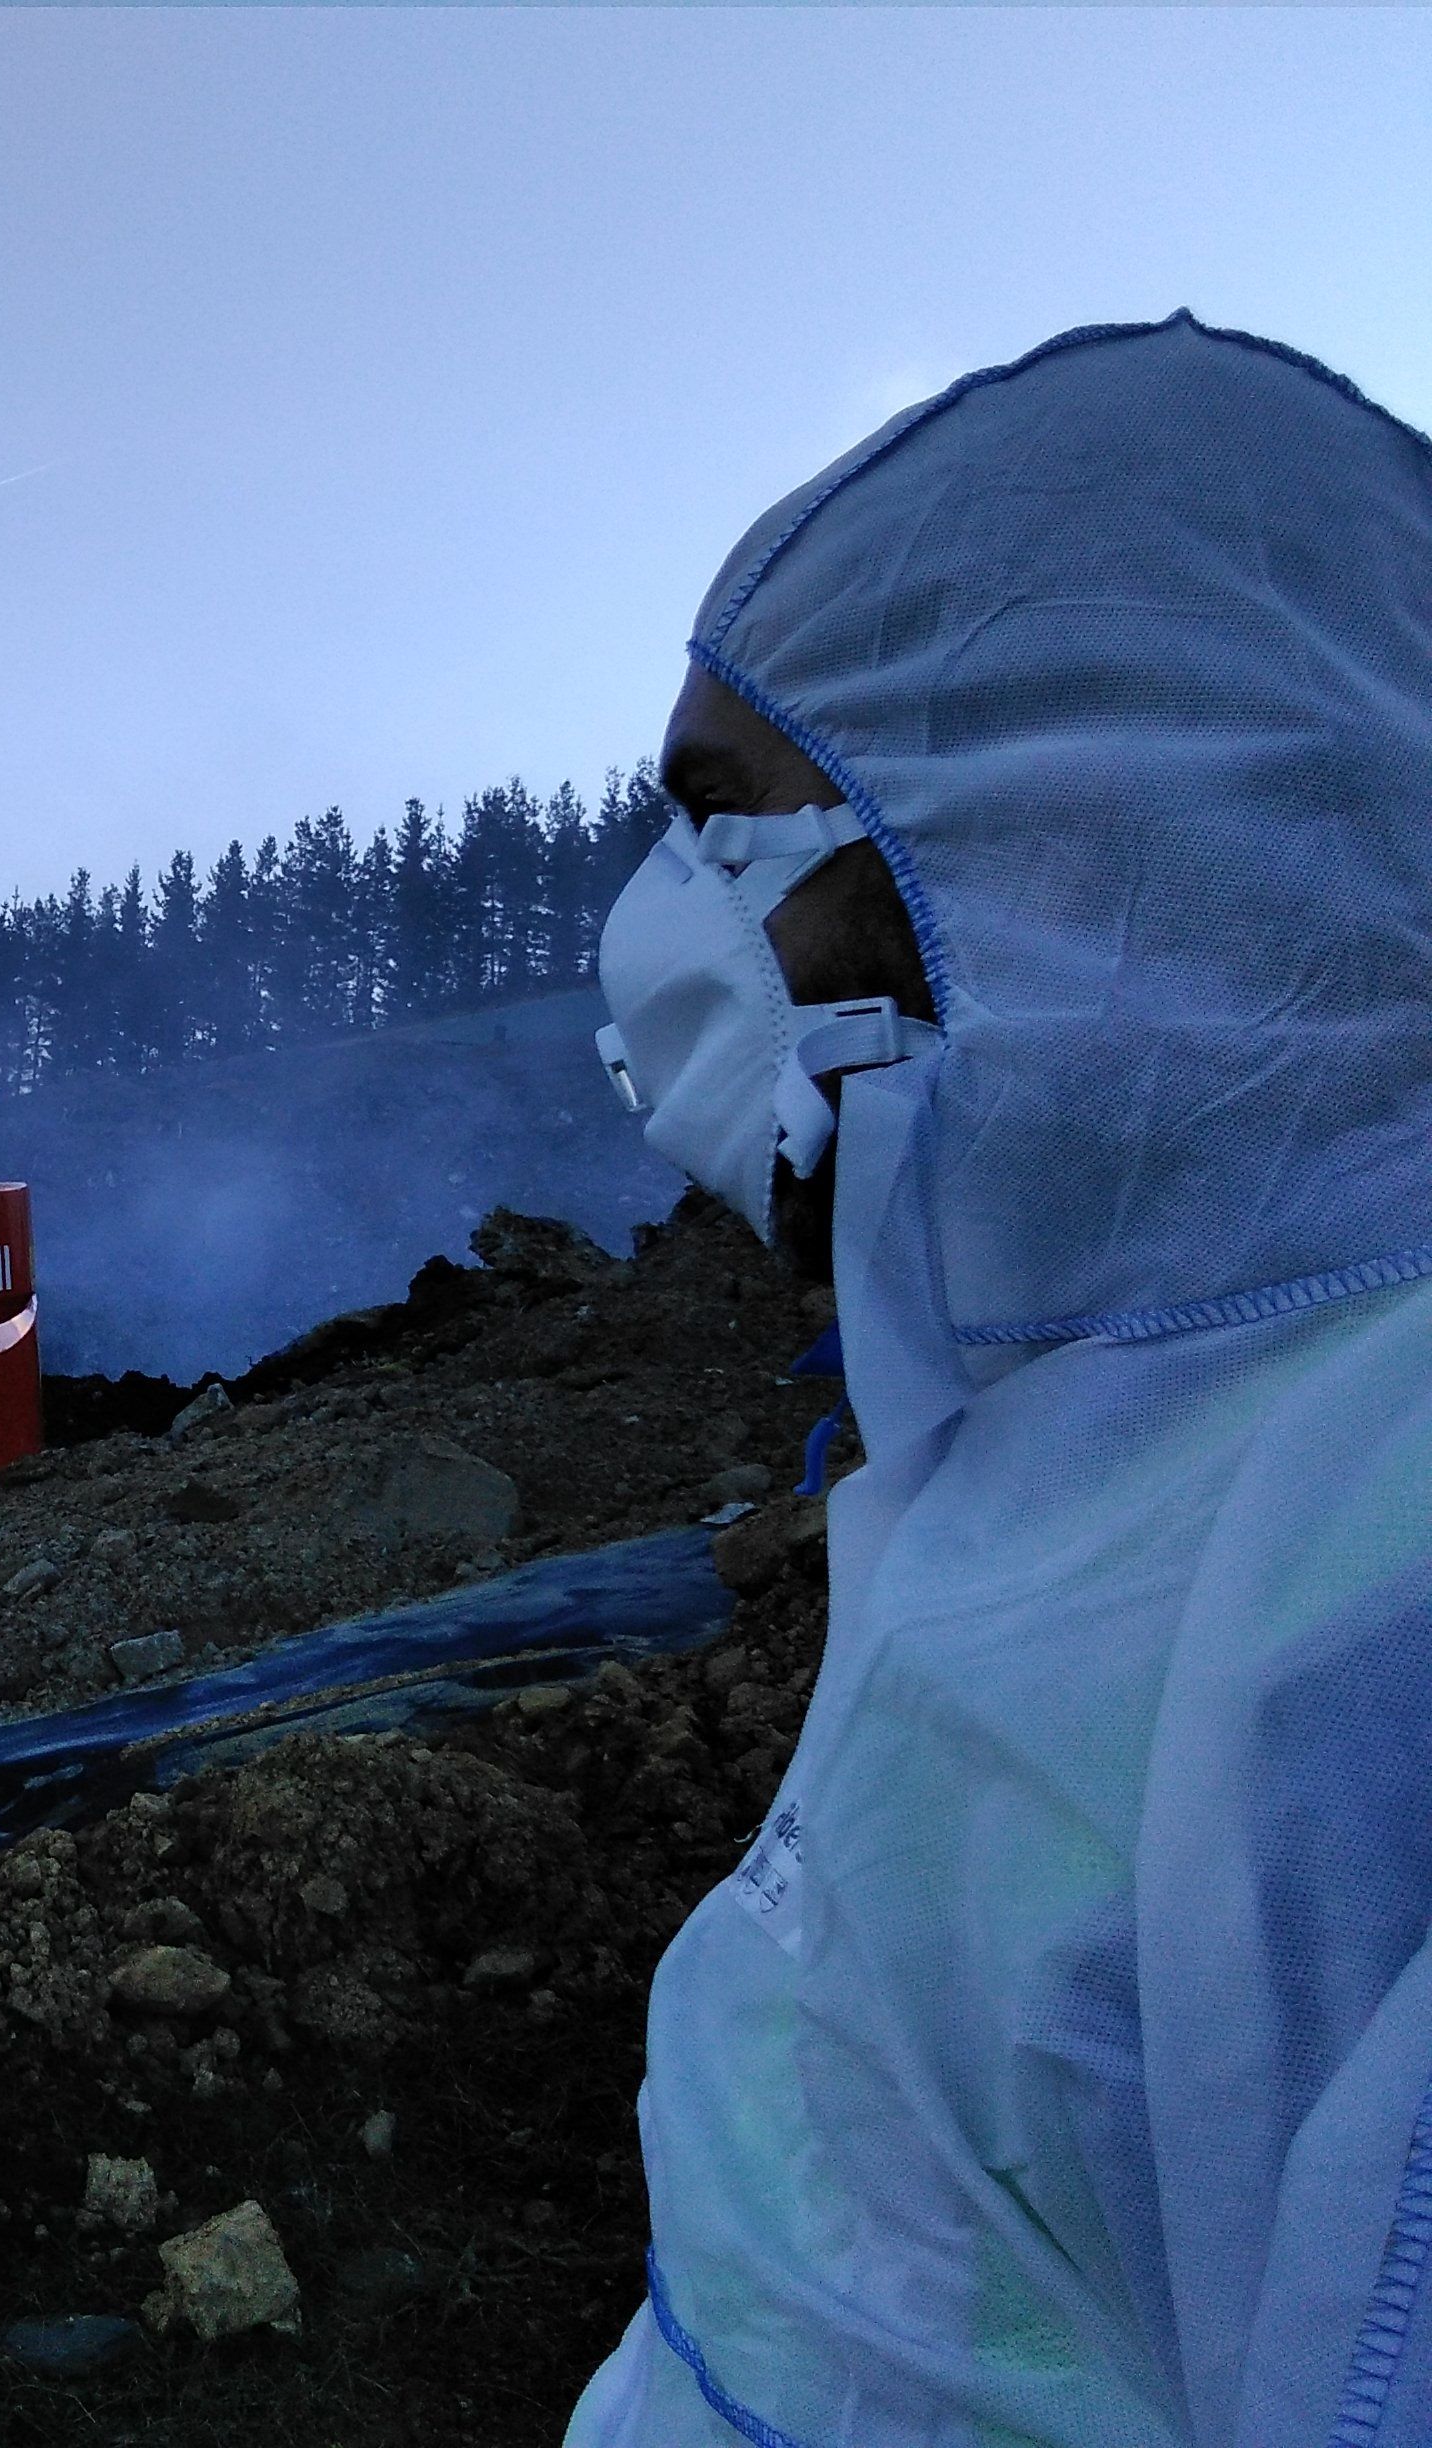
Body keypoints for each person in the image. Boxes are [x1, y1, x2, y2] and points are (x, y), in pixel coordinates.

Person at [574, 314, 1432, 2446]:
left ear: (1060, 833)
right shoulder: (1085, 1433)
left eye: (727, 828)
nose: (658, 941)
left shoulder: (1361, 1620)